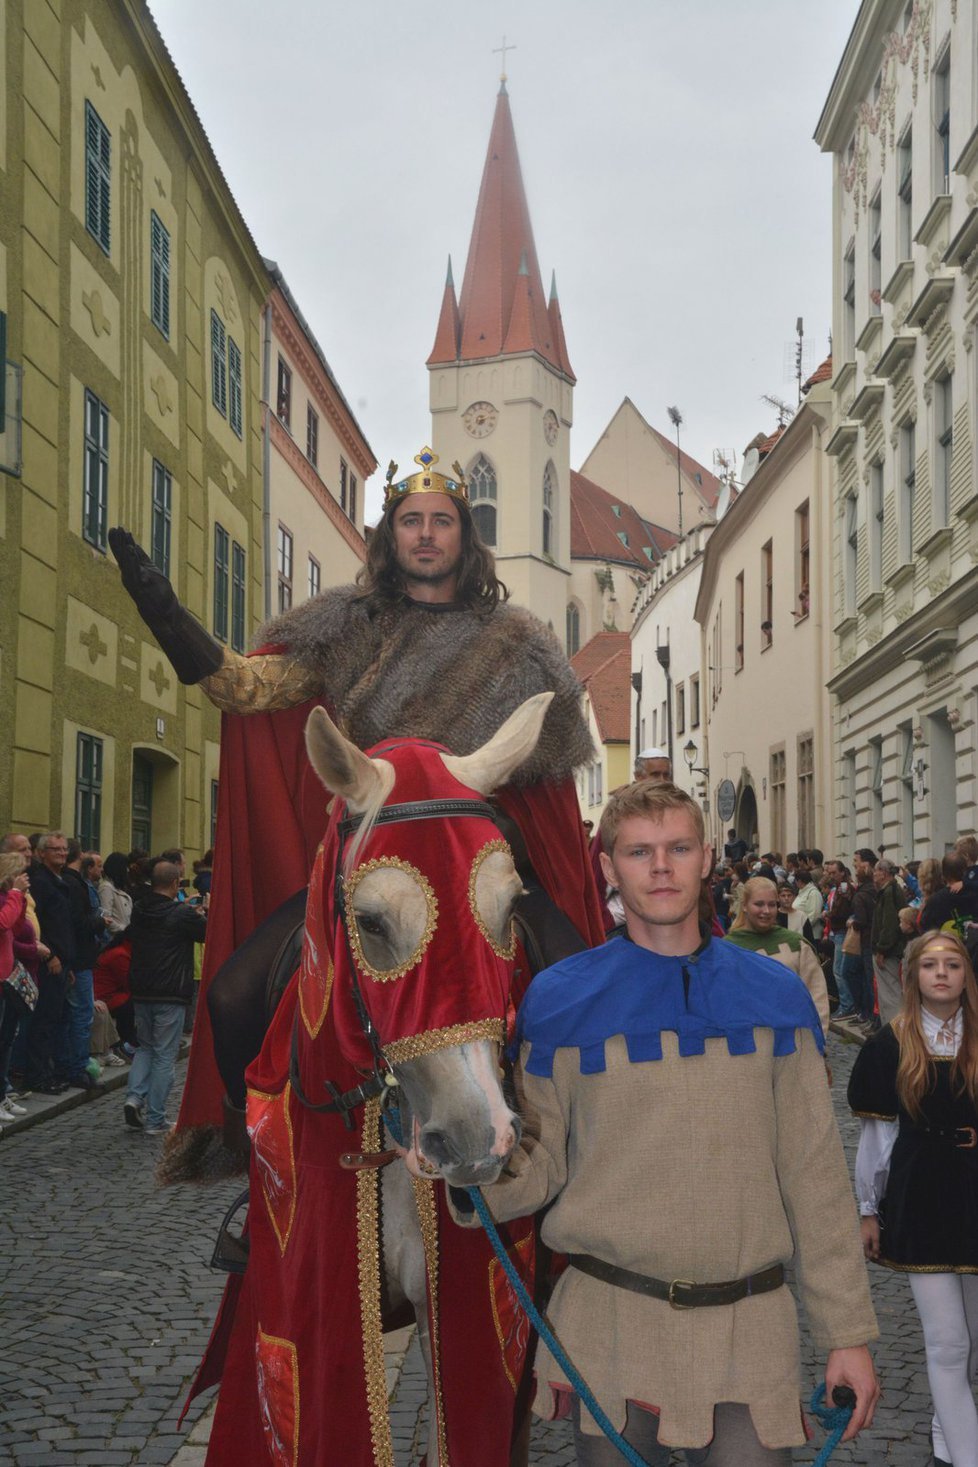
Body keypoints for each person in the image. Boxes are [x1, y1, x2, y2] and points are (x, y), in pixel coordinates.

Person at [111, 453, 603, 1164]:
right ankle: (262, 1167)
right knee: (231, 997)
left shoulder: (520, 644)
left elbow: (548, 776)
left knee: (582, 987)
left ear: (465, 537)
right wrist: (170, 618)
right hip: (373, 862)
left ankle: (575, 1156)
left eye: (441, 521)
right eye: (411, 521)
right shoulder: (346, 627)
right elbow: (249, 687)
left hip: (476, 867)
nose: (427, 535)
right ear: (390, 537)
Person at [447, 781, 879, 1464]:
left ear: (707, 857)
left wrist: (846, 1332)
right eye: (639, 850)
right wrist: (467, 1162)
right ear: (608, 867)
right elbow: (540, 1163)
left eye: (678, 847)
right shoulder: (559, 1000)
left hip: (750, 1325)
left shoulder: (777, 994)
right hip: (611, 1320)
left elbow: (815, 1177)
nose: (660, 866)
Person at [849, 930, 978, 1467]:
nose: (942, 973)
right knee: (948, 1344)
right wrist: (866, 1210)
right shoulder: (890, 1045)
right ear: (914, 975)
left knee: (972, 1345)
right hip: (920, 1195)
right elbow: (877, 1142)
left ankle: (947, 1445)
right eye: (930, 965)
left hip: (975, 1197)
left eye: (952, 964)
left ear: (967, 974)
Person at [124, 861, 206, 1135]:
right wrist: (201, 911)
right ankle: (156, 1119)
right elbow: (205, 932)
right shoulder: (181, 914)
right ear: (175, 884)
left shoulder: (138, 909)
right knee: (164, 1055)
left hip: (142, 989)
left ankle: (134, 1098)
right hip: (170, 992)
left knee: (145, 1048)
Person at [724, 875, 830, 1035]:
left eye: (772, 905)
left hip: (794, 1041)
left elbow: (817, 995)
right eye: (759, 904)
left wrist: (817, 1038)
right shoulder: (727, 948)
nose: (766, 911)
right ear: (745, 906)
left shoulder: (796, 945)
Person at [26, 832, 76, 1094]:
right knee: (44, 1021)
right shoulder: (41, 883)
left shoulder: (59, 880)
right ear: (42, 853)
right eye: (55, 849)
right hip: (49, 961)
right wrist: (52, 955)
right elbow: (38, 926)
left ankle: (51, 1071)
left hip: (62, 961)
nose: (61, 853)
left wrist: (68, 962)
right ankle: (38, 1076)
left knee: (56, 1019)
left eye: (64, 849)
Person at [62, 840, 106, 1089]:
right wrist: (100, 922)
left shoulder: (66, 882)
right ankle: (78, 1068)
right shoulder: (75, 884)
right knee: (81, 1015)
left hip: (74, 958)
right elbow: (80, 924)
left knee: (73, 1015)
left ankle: (72, 1065)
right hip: (79, 959)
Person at [0, 853, 31, 1127]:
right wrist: (14, 895)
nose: (25, 877)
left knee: (7, 1038)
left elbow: (17, 928)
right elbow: (2, 923)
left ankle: (2, 1095)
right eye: (20, 872)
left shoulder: (10, 899)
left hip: (7, 980)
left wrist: (20, 900)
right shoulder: (3, 899)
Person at [849, 850, 879, 1029]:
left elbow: (862, 919)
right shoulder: (870, 889)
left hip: (868, 941)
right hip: (870, 940)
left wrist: (853, 922)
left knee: (869, 980)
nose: (854, 865)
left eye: (856, 862)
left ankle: (870, 1016)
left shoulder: (864, 892)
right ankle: (868, 1014)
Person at [920, 852, 978, 936]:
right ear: (965, 871)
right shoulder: (974, 895)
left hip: (946, 946)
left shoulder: (935, 900)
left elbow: (926, 927)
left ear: (943, 874)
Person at [99, 852, 133, 935]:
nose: (127, 870)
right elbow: (106, 917)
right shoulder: (106, 888)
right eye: (125, 867)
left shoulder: (116, 887)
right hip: (116, 937)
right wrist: (124, 930)